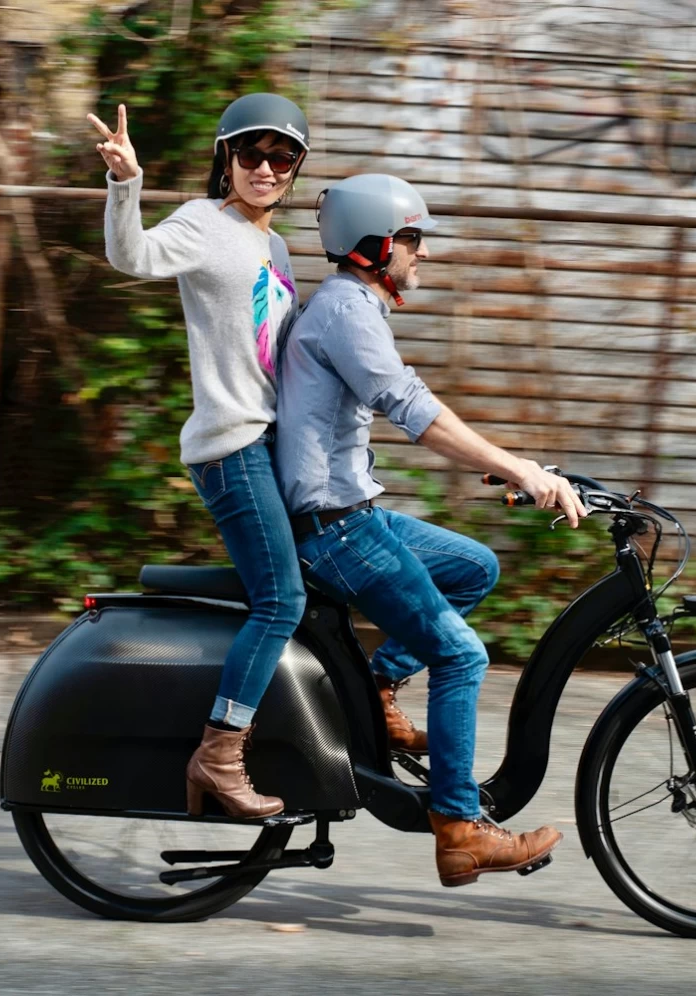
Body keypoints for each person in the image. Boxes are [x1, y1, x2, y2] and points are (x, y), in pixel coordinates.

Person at [273, 173, 589, 886]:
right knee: (462, 656)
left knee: (474, 567)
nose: (422, 253)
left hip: (352, 513)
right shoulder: (347, 310)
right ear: (372, 245)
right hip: (336, 531)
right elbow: (415, 410)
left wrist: (511, 465)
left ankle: (378, 690)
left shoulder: (351, 307)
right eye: (411, 239)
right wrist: (519, 468)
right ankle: (458, 828)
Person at [88, 93, 315, 820]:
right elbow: (132, 256)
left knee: (304, 584)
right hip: (231, 445)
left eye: (282, 158)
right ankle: (218, 753)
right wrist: (126, 182)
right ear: (226, 158)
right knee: (282, 600)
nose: (265, 169)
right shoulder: (202, 222)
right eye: (251, 153)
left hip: (273, 446)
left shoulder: (277, 249)